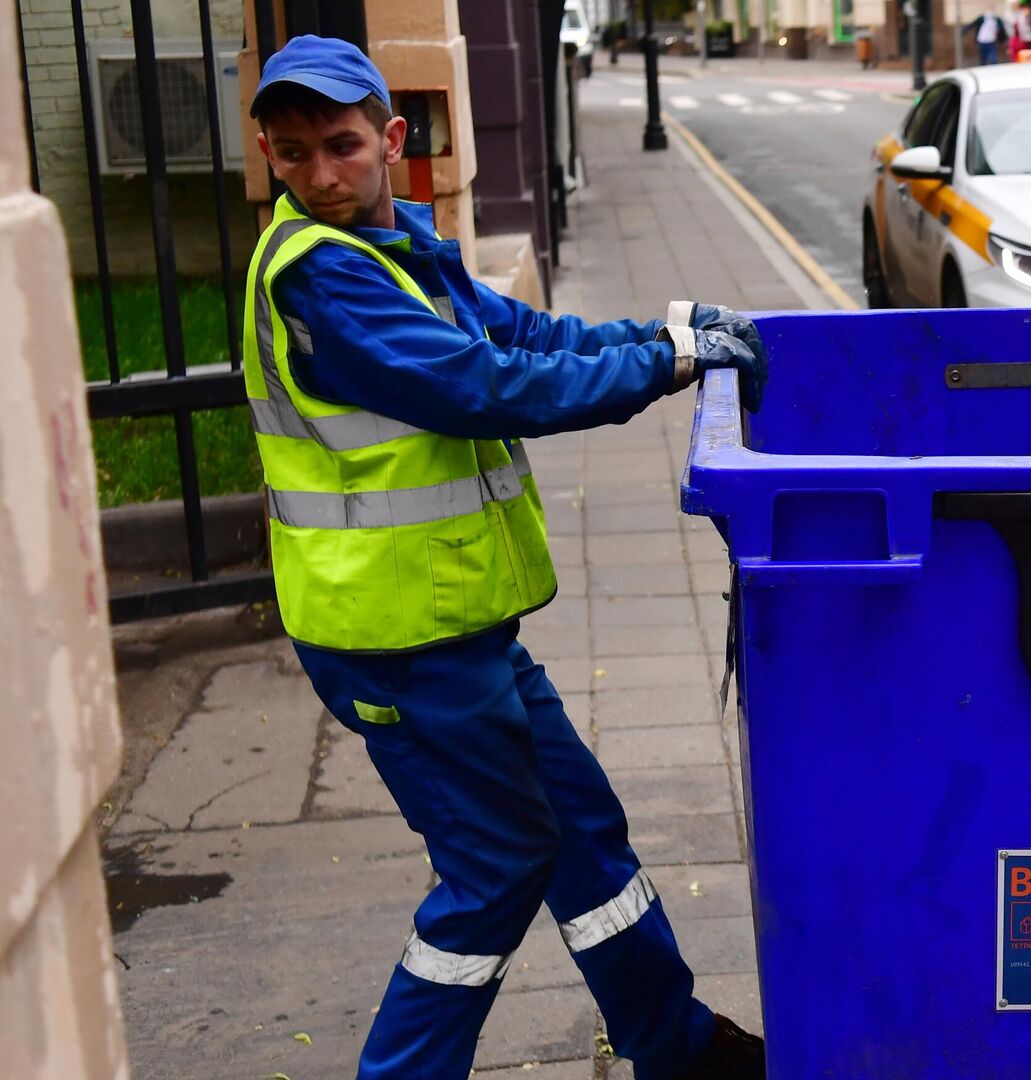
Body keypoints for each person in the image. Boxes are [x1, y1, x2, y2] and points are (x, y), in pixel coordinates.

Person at [243, 35, 769, 1080]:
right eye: (293, 154)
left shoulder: (400, 248)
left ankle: (678, 1048)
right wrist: (670, 362)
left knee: (580, 830)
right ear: (270, 154)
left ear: (390, 140)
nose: (319, 175)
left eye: (341, 146)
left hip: (460, 626)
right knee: (494, 870)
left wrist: (666, 332)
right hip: (396, 641)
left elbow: (525, 336)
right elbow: (488, 386)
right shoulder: (322, 280)